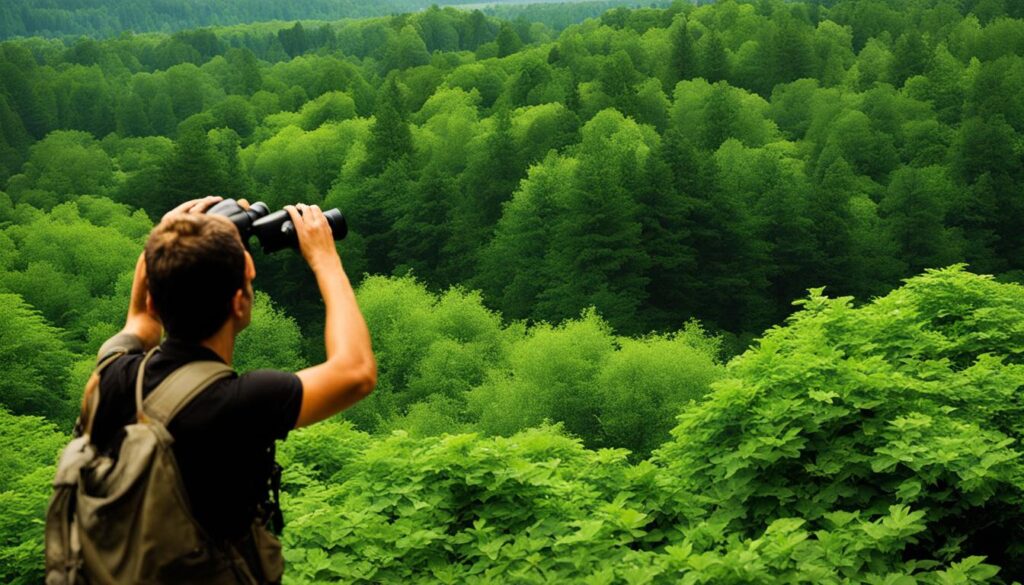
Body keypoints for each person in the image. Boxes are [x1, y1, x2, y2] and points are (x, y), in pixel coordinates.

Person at [79, 195, 377, 583]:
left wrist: (167, 239)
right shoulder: (241, 403)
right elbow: (356, 371)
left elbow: (140, 321)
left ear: (154, 294)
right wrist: (324, 258)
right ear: (240, 302)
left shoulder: (110, 375)